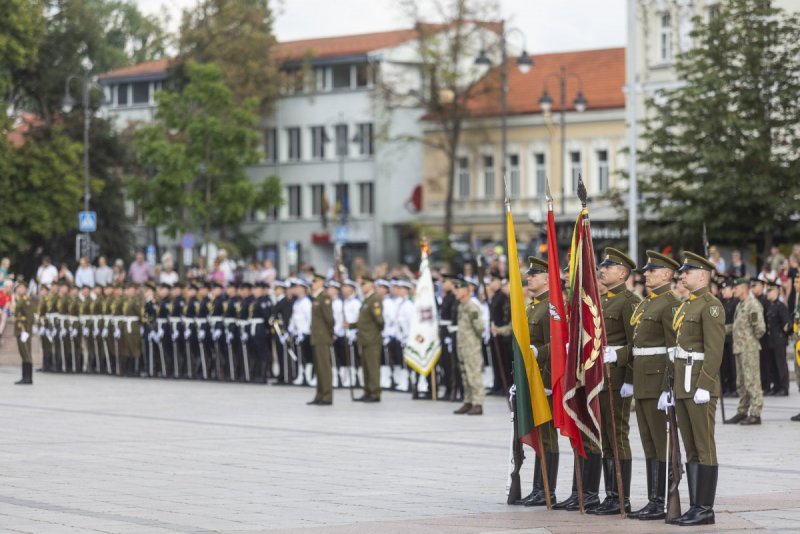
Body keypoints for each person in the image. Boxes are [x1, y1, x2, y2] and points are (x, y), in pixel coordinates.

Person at [669, 251, 725, 526]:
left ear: (702, 275)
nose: (682, 276)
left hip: (699, 385)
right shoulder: (686, 305)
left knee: (704, 447)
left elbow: (714, 351)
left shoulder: (710, 305)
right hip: (683, 383)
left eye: (687, 272)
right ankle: (694, 506)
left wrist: (705, 385)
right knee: (690, 446)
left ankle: (705, 508)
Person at [627, 250, 681, 521]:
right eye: (646, 270)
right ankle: (654, 499)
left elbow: (673, 350)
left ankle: (663, 500)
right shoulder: (647, 303)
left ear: (667, 274)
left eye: (651, 270)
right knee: (648, 443)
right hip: (641, 381)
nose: (645, 273)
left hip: (657, 381)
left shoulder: (670, 304)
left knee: (661, 444)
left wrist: (667, 386)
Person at [591, 247, 640, 516]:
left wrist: (630, 379)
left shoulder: (628, 301)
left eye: (608, 267)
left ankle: (622, 496)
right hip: (602, 377)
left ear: (622, 273)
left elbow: (636, 344)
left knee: (618, 435)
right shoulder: (604, 300)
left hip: (619, 378)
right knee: (607, 438)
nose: (603, 270)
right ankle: (610, 495)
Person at [517, 257, 558, 507]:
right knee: (540, 435)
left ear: (547, 279)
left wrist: (539, 359)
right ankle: (538, 488)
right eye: (529, 274)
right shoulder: (532, 306)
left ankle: (547, 490)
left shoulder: (551, 307)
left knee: (547, 436)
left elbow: (557, 344)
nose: (529, 277)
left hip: (545, 379)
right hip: (531, 378)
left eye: (534, 274)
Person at [724, 277, 766, 425]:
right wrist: (720, 329)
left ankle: (755, 413)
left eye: (735, 288)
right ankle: (742, 411)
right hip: (739, 348)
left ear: (743, 288)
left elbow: (760, 329)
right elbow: (737, 326)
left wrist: (749, 341)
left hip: (749, 349)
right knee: (741, 382)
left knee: (752, 381)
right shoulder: (740, 305)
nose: (733, 290)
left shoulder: (752, 304)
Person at [452, 277, 485, 416]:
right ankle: (468, 401)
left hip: (471, 346)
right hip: (462, 346)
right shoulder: (461, 306)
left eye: (458, 289)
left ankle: (478, 403)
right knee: (465, 375)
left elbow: (480, 327)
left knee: (473, 374)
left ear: (466, 291)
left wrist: (473, 341)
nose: (456, 292)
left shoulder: (472, 307)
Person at [350, 276, 384, 402]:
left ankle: (375, 392)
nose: (362, 287)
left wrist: (374, 333)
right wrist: (351, 325)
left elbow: (379, 320)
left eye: (364, 284)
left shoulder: (374, 299)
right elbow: (363, 320)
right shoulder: (366, 300)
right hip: (364, 338)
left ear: (370, 285)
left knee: (372, 367)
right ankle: (367, 391)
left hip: (372, 339)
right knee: (366, 367)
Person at [308, 273, 334, 405]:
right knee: (318, 367)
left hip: (323, 336)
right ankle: (319, 394)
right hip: (316, 336)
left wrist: (331, 333)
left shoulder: (324, 297)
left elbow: (329, 318)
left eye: (314, 281)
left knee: (324, 367)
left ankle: (327, 395)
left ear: (321, 282)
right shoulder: (316, 297)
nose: (312, 284)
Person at [764, 280, 790, 396]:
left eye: (770, 291)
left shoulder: (781, 306)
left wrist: (786, 333)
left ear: (776, 292)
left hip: (779, 340)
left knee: (781, 365)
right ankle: (776, 386)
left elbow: (787, 323)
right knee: (772, 365)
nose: (768, 293)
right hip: (771, 340)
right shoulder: (770, 306)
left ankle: (784, 387)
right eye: (767, 291)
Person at [13, 279, 34, 385]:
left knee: (26, 353)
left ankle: (28, 378)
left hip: (24, 330)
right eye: (18, 288)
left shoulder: (26, 300)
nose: (19, 289)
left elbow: (30, 317)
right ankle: (24, 377)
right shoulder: (20, 299)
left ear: (25, 289)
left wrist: (28, 331)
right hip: (20, 330)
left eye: (21, 288)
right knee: (23, 353)